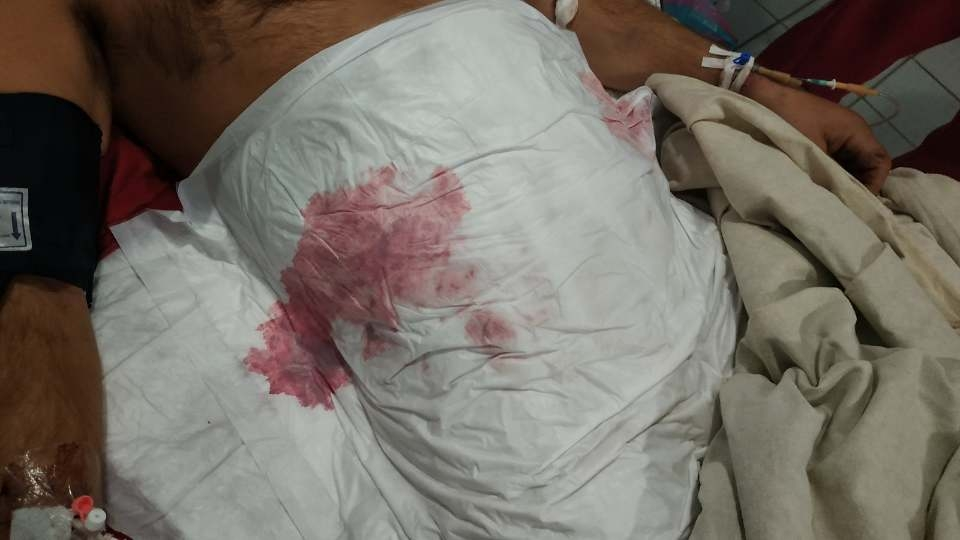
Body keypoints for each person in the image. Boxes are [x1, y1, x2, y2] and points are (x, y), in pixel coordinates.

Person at [0, 0, 891, 532]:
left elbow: (595, 17)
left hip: (649, 242)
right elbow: (32, 272)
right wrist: (46, 524)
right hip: (435, 269)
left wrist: (758, 87)